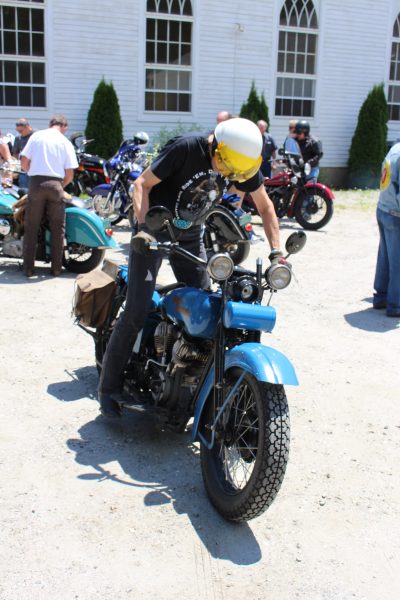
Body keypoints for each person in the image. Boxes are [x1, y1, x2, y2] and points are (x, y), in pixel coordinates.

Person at [98, 117, 283, 418]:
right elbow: (141, 184)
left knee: (203, 310)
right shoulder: (186, 148)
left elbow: (265, 207)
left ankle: (187, 382)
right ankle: (108, 388)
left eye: (234, 172)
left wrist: (277, 253)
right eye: (225, 167)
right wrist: (143, 228)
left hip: (190, 235)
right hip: (154, 229)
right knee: (137, 308)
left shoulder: (237, 161)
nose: (228, 176)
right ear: (216, 147)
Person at [20, 114, 78, 278]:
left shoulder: (37, 136)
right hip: (56, 185)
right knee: (57, 229)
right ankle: (56, 269)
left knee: (31, 227)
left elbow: (24, 161)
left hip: (36, 183)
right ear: (64, 127)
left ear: (50, 124)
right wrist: (60, 186)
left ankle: (29, 269)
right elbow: (69, 174)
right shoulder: (65, 142)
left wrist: (31, 172)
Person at [372, 142, 400, 317]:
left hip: (383, 207)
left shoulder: (396, 148)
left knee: (386, 256)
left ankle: (381, 297)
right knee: (397, 261)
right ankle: (395, 304)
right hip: (396, 213)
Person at [12, 118, 35, 187]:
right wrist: (15, 169)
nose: (19, 132)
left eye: (21, 131)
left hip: (36, 169)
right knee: (24, 190)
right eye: (18, 130)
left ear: (27, 127)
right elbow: (15, 154)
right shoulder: (18, 138)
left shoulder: (37, 135)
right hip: (23, 170)